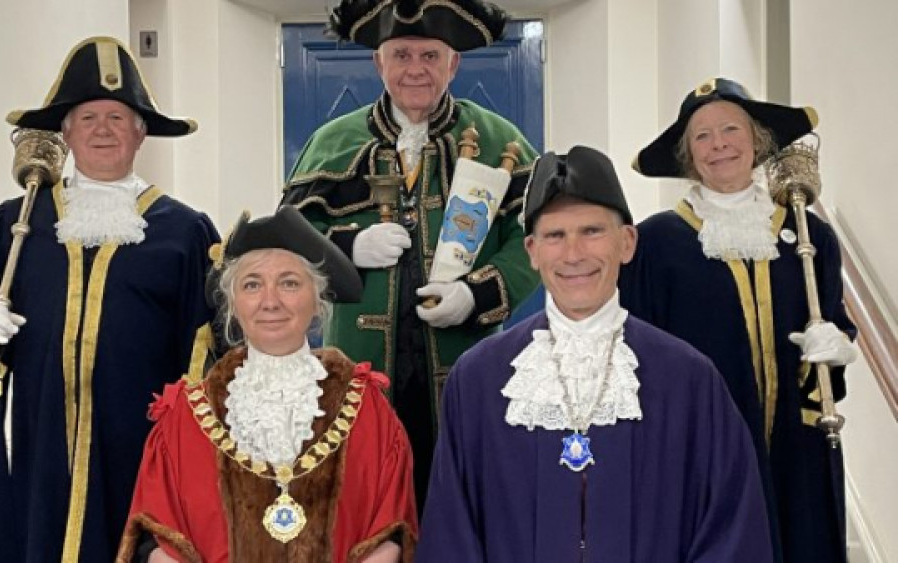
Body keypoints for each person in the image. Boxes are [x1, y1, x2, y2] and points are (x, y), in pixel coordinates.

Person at [0, 36, 220, 562]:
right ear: (65, 132)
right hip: (39, 443)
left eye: (117, 117)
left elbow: (206, 352)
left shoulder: (185, 232)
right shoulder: (18, 223)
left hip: (141, 451)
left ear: (141, 134)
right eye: (88, 117)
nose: (103, 130)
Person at [417, 146, 774, 561]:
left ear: (627, 242)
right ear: (531, 251)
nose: (573, 255)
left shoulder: (688, 379)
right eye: (555, 236)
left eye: (592, 231)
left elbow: (731, 530)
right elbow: (451, 535)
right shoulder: (479, 379)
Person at [281, 0, 540, 511]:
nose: (415, 69)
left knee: (466, 497)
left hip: (464, 356)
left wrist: (477, 293)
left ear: (454, 64)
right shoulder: (333, 141)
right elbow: (287, 245)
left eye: (429, 55)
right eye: (401, 54)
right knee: (365, 497)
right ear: (379, 62)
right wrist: (348, 249)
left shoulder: (499, 139)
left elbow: (538, 239)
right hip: (360, 362)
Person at [619, 78, 857, 563]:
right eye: (702, 136)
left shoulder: (811, 239)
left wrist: (840, 346)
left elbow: (831, 320)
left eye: (731, 129)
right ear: (688, 155)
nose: (720, 144)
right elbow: (636, 356)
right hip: (700, 449)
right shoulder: (655, 245)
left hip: (798, 448)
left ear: (758, 141)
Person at [117, 206, 418, 562]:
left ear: (317, 300)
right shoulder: (186, 416)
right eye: (252, 285)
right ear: (233, 305)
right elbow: (157, 539)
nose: (270, 301)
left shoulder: (366, 408)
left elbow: (391, 531)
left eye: (289, 283)